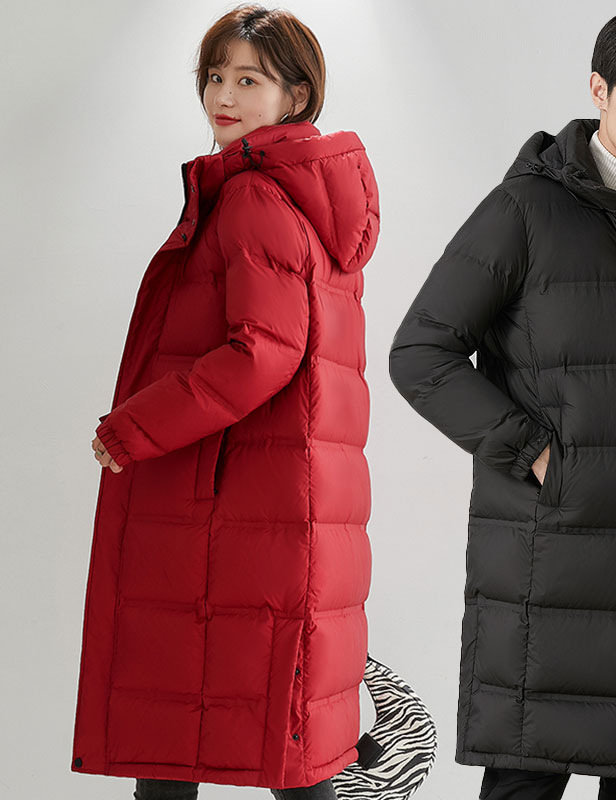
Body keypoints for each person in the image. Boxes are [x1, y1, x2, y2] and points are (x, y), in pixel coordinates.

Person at [388, 4, 616, 798]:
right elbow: (421, 352)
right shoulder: (524, 209)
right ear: (600, 90)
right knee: (526, 779)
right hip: (550, 562)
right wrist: (534, 452)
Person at [71, 5, 380, 799]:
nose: (224, 96)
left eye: (249, 80)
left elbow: (262, 354)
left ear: (295, 96)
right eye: (215, 76)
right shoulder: (304, 201)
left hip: (229, 510)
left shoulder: (253, 198)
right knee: (269, 738)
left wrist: (133, 429)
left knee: (188, 731)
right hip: (282, 507)